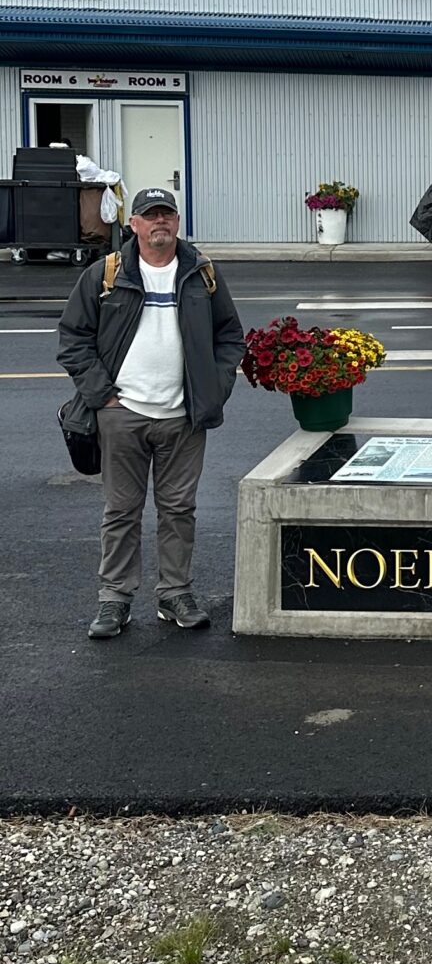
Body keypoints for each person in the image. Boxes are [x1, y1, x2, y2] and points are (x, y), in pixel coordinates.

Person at [56, 186, 244, 640]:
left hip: (183, 417)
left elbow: (230, 336)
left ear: (177, 221)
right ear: (134, 224)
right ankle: (114, 599)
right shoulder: (107, 274)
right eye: (150, 215)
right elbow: (73, 338)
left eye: (167, 214)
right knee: (121, 511)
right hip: (122, 415)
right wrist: (103, 396)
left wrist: (213, 391)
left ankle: (175, 594)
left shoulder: (201, 273)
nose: (160, 222)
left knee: (179, 510)